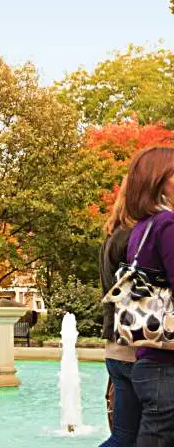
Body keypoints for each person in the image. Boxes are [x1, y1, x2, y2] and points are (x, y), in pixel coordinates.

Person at [125, 146, 174, 447]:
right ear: (159, 182)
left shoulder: (141, 228)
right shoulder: (167, 224)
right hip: (166, 365)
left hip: (149, 359)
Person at [99, 176, 140, 447]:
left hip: (116, 348)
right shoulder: (136, 238)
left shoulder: (113, 236)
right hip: (138, 348)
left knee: (124, 437)